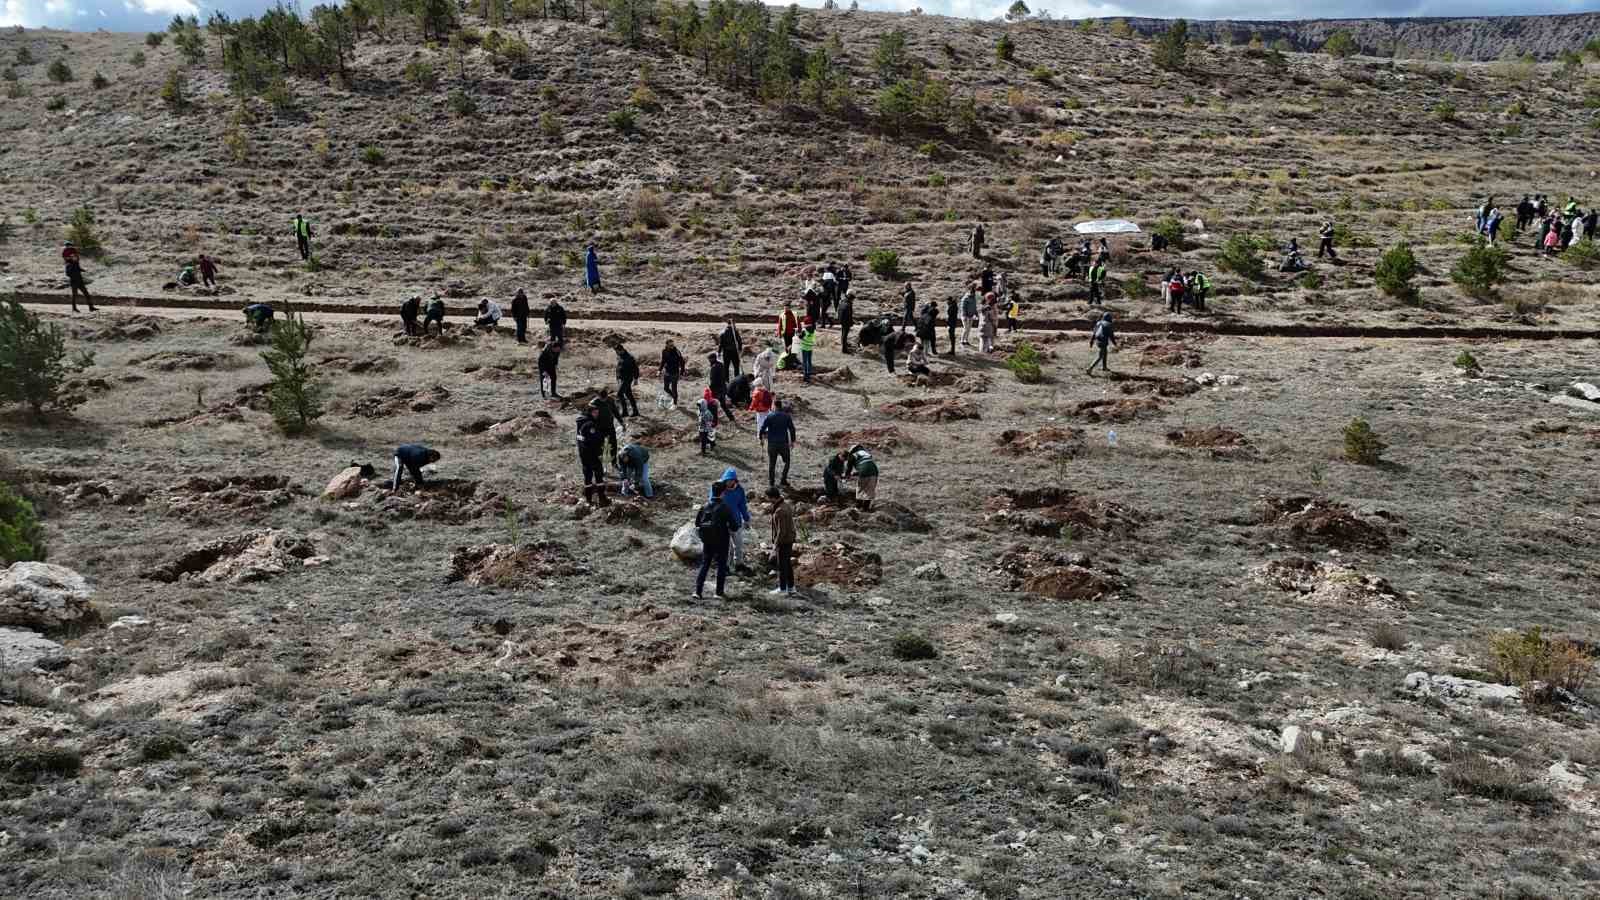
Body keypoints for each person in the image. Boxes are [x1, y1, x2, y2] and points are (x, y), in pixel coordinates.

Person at [692, 482, 735, 600]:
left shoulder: (705, 506)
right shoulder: (724, 508)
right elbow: (734, 525)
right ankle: (718, 593)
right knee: (721, 565)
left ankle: (697, 591)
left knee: (705, 563)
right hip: (722, 540)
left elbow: (697, 523)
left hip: (707, 539)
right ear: (723, 493)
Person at [712, 469, 752, 571]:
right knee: (726, 547)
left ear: (735, 480)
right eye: (728, 480)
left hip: (736, 522)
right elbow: (712, 502)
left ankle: (739, 564)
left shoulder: (739, 490)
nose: (730, 482)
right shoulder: (718, 488)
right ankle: (726, 566)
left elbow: (742, 505)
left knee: (738, 545)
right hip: (722, 523)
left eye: (732, 480)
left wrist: (746, 518)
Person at [575, 401, 610, 507]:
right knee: (599, 476)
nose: (597, 414)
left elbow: (580, 439)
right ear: (590, 413)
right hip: (592, 455)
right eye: (595, 412)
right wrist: (602, 437)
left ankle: (589, 500)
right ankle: (602, 499)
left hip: (583, 455)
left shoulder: (581, 423)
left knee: (588, 478)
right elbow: (595, 440)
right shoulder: (590, 425)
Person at [760, 399, 796, 489]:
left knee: (772, 464)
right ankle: (783, 480)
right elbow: (792, 429)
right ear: (781, 406)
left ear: (774, 406)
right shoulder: (786, 416)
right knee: (787, 462)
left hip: (772, 444)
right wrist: (793, 441)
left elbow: (762, 428)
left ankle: (771, 483)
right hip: (783, 443)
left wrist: (762, 438)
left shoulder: (770, 416)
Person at [767, 488, 796, 596]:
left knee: (782, 565)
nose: (768, 500)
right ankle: (791, 587)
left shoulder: (780, 510)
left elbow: (781, 530)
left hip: (784, 541)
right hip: (789, 539)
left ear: (773, 497)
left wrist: (776, 544)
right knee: (787, 564)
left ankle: (782, 588)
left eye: (768, 498)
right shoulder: (785, 505)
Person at [844, 444, 878, 512]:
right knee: (870, 490)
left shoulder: (853, 455)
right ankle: (866, 508)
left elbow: (849, 467)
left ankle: (858, 507)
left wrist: (847, 476)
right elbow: (866, 465)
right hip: (874, 471)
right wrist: (855, 473)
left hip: (864, 471)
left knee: (860, 489)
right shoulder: (867, 453)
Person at [63, 242, 95, 312]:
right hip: (74, 281)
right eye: (74, 257)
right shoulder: (69, 265)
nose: (76, 257)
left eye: (76, 256)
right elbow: (68, 273)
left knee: (86, 294)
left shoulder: (75, 263)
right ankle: (74, 308)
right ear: (71, 257)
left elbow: (78, 268)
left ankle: (91, 307)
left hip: (79, 280)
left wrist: (83, 270)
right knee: (75, 295)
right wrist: (74, 273)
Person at [708, 353, 737, 423]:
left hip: (717, 389)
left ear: (713, 358)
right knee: (723, 404)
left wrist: (711, 388)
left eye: (709, 359)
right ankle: (731, 417)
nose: (709, 361)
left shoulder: (714, 367)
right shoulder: (721, 364)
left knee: (711, 404)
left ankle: (714, 419)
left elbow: (713, 379)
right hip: (723, 388)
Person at [592, 388, 621, 459]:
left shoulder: (610, 400)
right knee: (600, 446)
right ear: (599, 396)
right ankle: (600, 462)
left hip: (610, 426)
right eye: (602, 399)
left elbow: (615, 411)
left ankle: (614, 463)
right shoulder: (593, 403)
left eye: (605, 398)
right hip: (599, 428)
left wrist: (621, 422)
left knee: (613, 445)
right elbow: (589, 417)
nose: (604, 400)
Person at [614, 343, 640, 418]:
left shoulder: (630, 357)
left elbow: (636, 369)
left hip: (627, 378)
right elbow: (618, 367)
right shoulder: (620, 356)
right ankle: (635, 411)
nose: (616, 353)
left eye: (617, 351)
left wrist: (636, 379)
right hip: (622, 378)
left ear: (621, 350)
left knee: (619, 394)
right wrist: (617, 377)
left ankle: (625, 412)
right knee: (629, 395)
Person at [1087, 311, 1116, 375]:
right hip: (1103, 341)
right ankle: (1090, 368)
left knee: (1105, 352)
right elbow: (1111, 336)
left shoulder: (1098, 323)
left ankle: (1104, 367)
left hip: (1098, 340)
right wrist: (1115, 344)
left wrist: (1091, 342)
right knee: (1100, 356)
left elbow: (1094, 333)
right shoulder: (1109, 324)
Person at [660, 339, 685, 406]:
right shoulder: (664, 351)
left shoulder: (677, 351)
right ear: (667, 345)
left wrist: (682, 372)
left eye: (673, 344)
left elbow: (682, 362)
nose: (672, 346)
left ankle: (675, 402)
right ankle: (674, 397)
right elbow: (663, 361)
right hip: (667, 372)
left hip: (675, 373)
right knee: (666, 388)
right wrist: (659, 370)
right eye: (670, 345)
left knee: (674, 389)